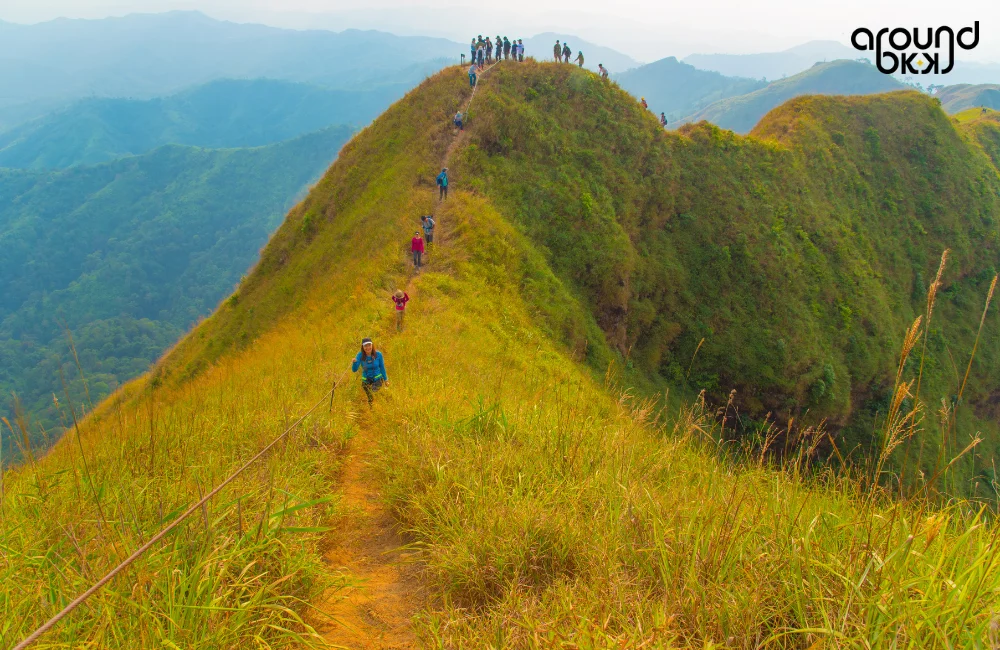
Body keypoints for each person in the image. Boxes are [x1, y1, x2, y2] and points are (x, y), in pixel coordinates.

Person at [352, 338, 387, 406]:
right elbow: (354, 370)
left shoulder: (378, 354)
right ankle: (372, 409)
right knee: (370, 398)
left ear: (372, 345)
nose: (367, 347)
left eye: (369, 345)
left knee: (374, 392)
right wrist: (354, 363)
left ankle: (379, 404)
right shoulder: (360, 355)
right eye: (365, 346)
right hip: (366, 380)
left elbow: (382, 367)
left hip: (377, 379)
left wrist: (386, 379)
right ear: (363, 347)